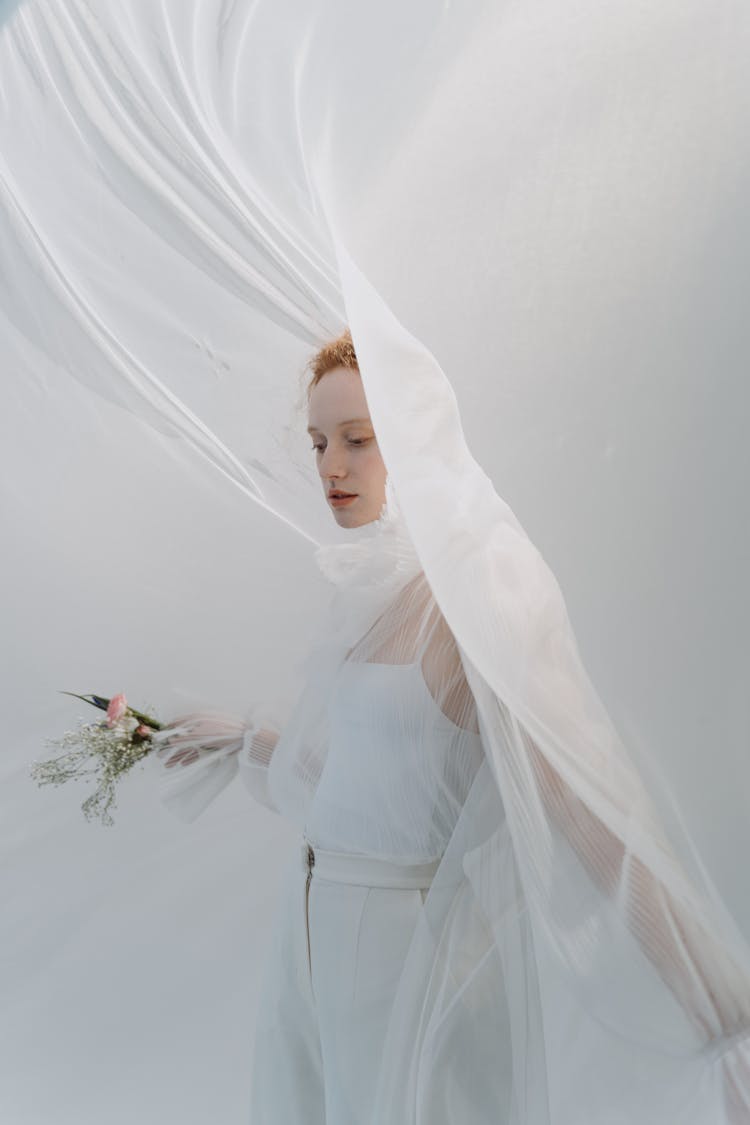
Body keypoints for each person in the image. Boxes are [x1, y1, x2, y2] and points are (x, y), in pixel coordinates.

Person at [154, 328, 750, 1124]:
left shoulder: (475, 604)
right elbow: (359, 781)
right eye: (320, 441)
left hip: (407, 963)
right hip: (316, 949)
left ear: (415, 440)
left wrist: (723, 1020)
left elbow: (584, 810)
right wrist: (240, 740)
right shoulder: (371, 598)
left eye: (359, 440)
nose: (331, 465)